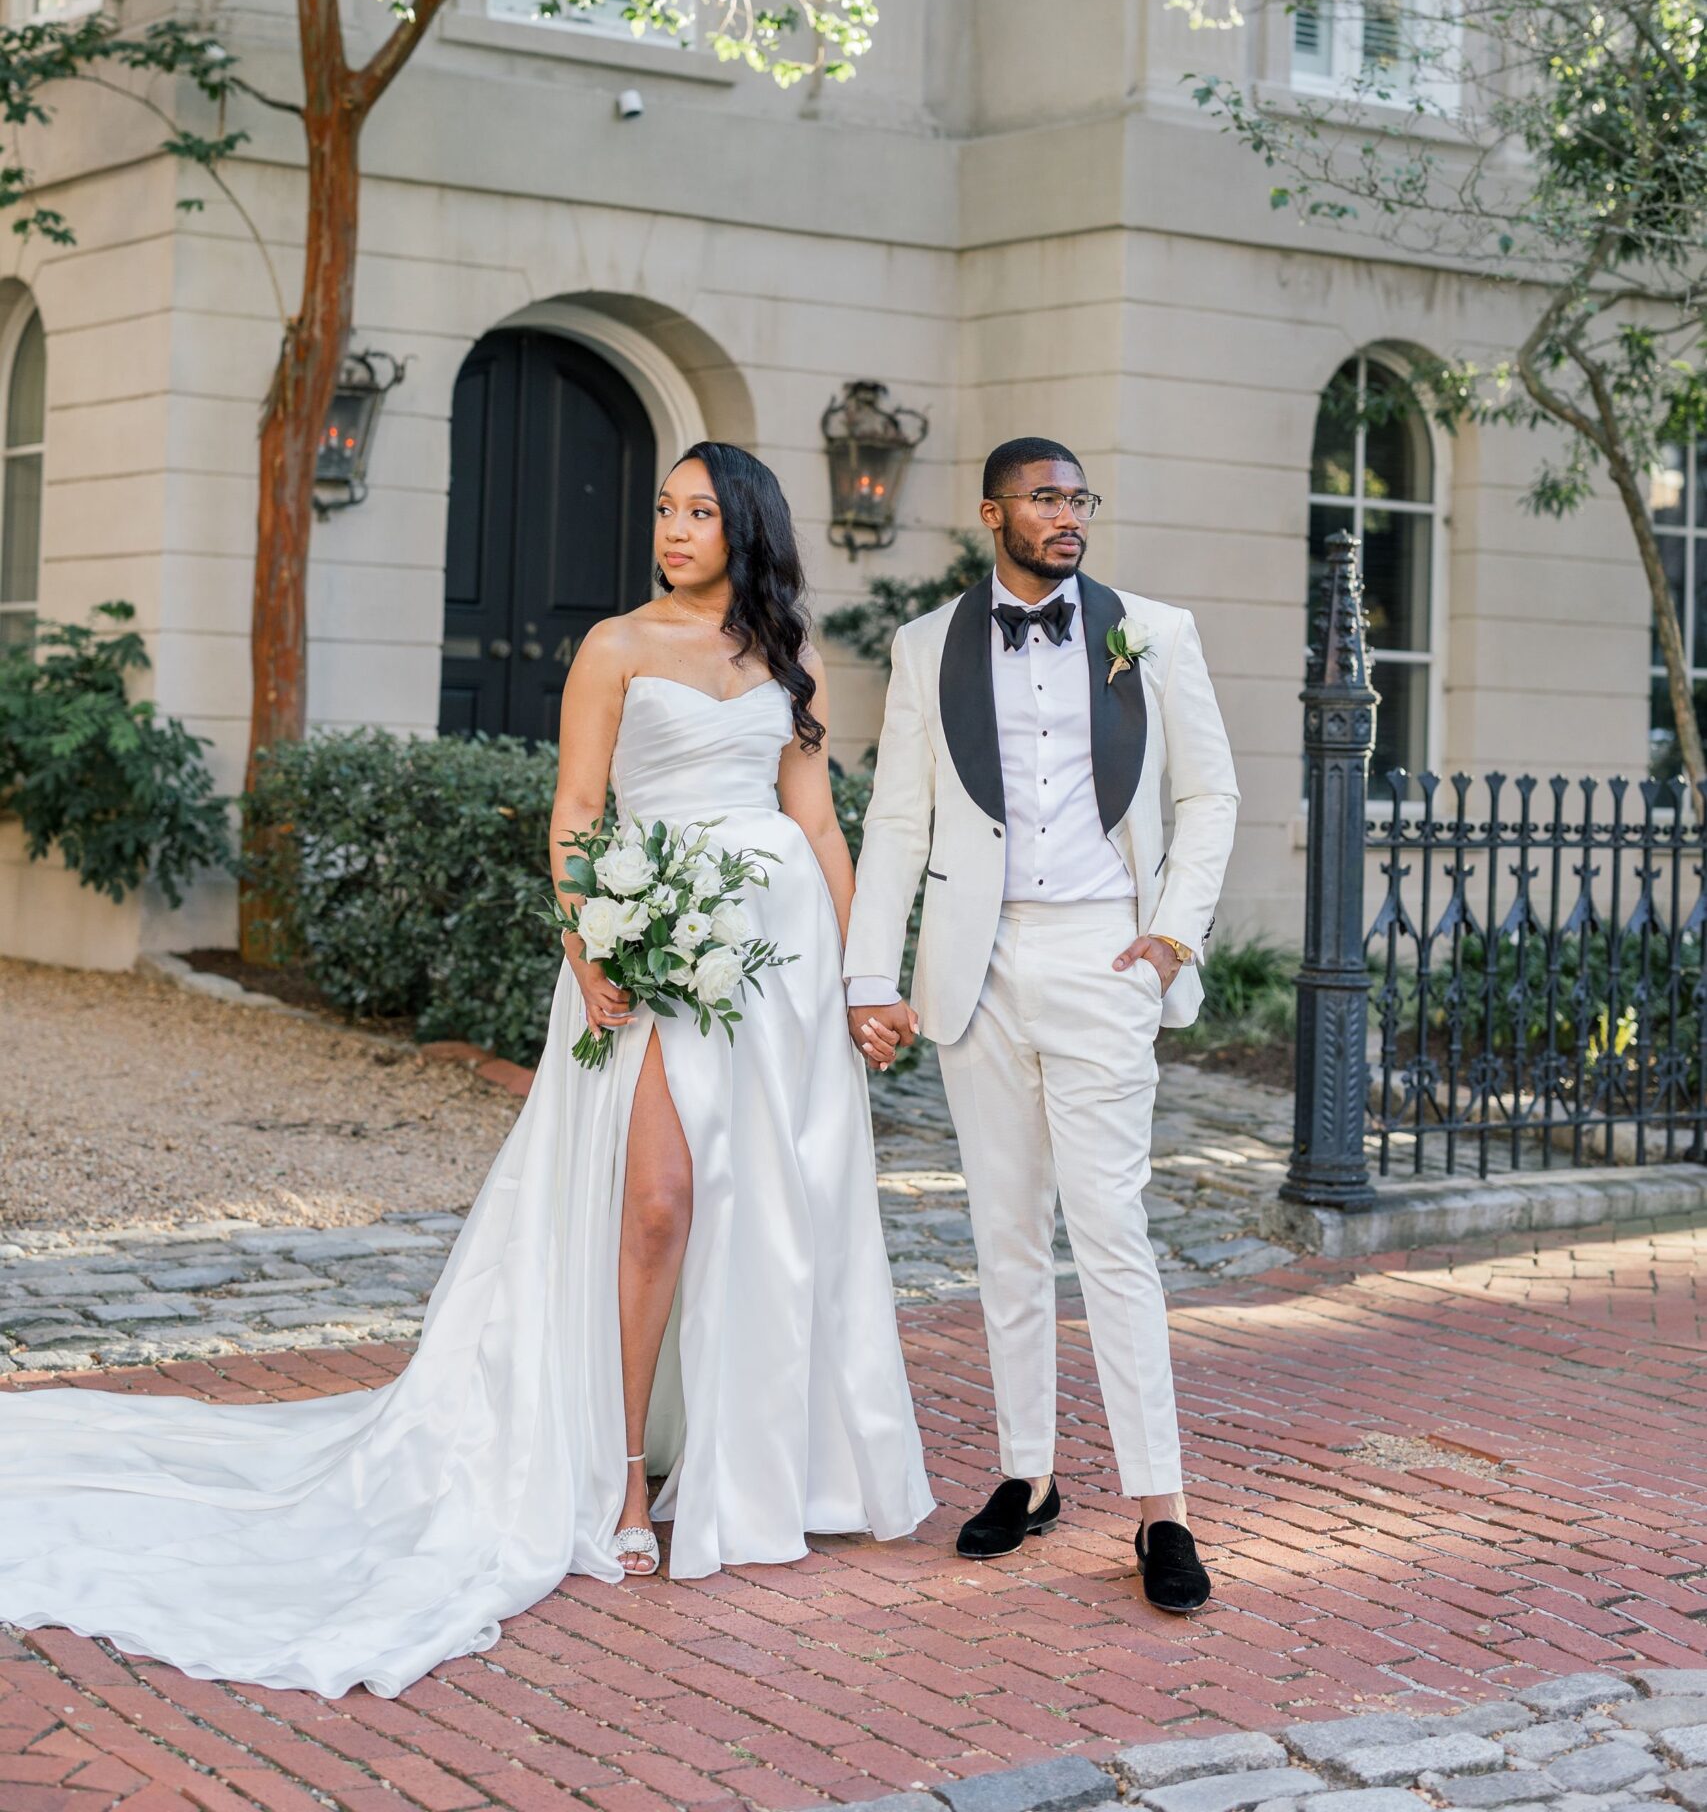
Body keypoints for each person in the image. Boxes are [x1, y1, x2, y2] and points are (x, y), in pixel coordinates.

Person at [0, 443, 930, 1697]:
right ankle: (618, 1477)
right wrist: (593, 938)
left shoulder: (790, 656)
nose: (672, 527)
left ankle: (763, 1456)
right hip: (648, 948)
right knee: (655, 1204)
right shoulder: (612, 647)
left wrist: (869, 976)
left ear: (747, 526)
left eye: (699, 512)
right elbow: (578, 812)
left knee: (769, 1209)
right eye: (663, 507)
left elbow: (817, 819)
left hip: (777, 966)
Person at [842, 435, 1237, 1612]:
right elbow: (899, 821)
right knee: (1005, 1233)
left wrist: (1172, 935)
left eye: (1078, 498)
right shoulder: (927, 646)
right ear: (993, 512)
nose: (1067, 515)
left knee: (1112, 1228)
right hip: (979, 961)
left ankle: (1161, 1508)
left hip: (1108, 952)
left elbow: (1209, 790)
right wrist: (873, 976)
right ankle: (1029, 1470)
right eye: (1044, 497)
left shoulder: (1153, 631)